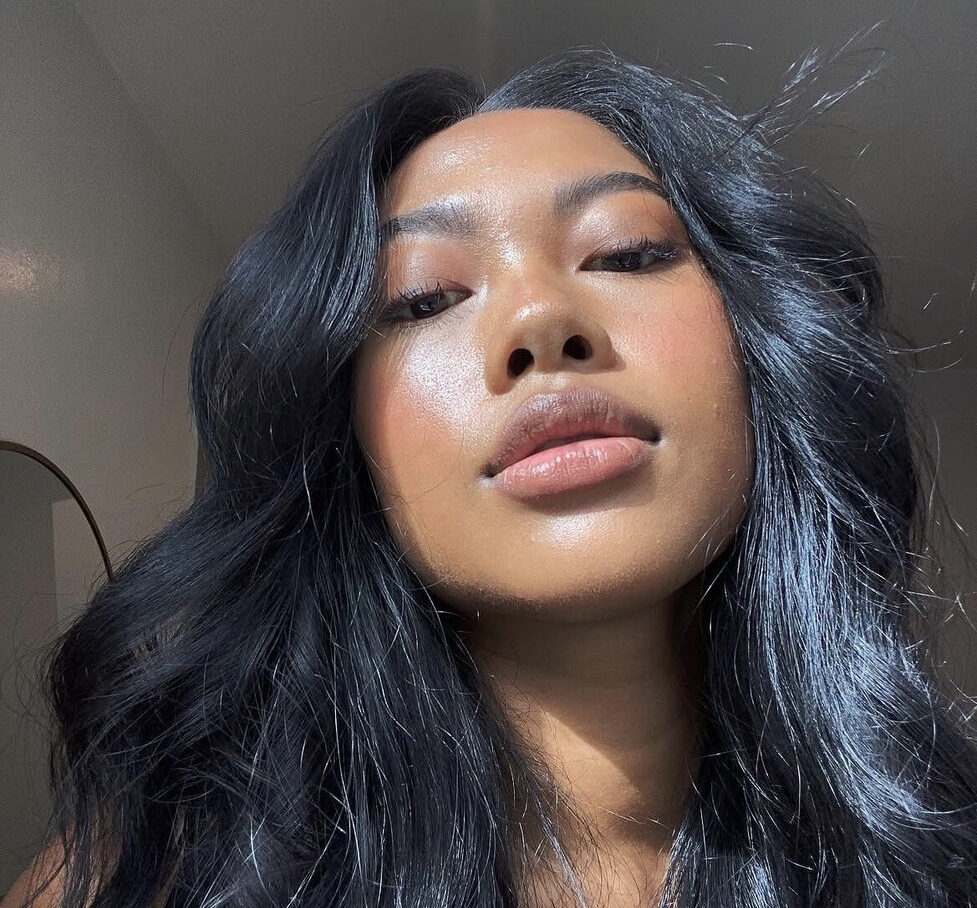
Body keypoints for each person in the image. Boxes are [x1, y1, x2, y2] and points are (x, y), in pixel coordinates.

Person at [4, 45, 976, 907]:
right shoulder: (160, 869)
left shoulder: (942, 844)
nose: (539, 320)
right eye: (423, 297)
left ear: (758, 348)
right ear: (346, 438)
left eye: (624, 253)